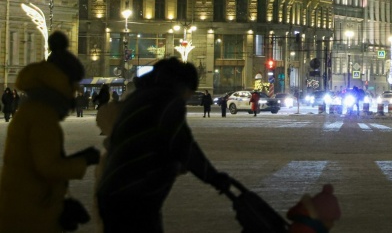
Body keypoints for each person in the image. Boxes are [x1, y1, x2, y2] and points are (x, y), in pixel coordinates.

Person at [96, 58, 230, 233]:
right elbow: (183, 144)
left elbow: (151, 141)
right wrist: (213, 177)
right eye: (190, 92)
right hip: (133, 195)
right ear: (183, 86)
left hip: (114, 189)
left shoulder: (140, 96)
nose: (187, 98)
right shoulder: (165, 100)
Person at [0, 31, 101, 233]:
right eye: (74, 85)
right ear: (62, 81)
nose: (76, 92)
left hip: (27, 206)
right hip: (31, 215)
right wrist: (85, 160)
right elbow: (48, 167)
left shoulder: (35, 108)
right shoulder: (42, 115)